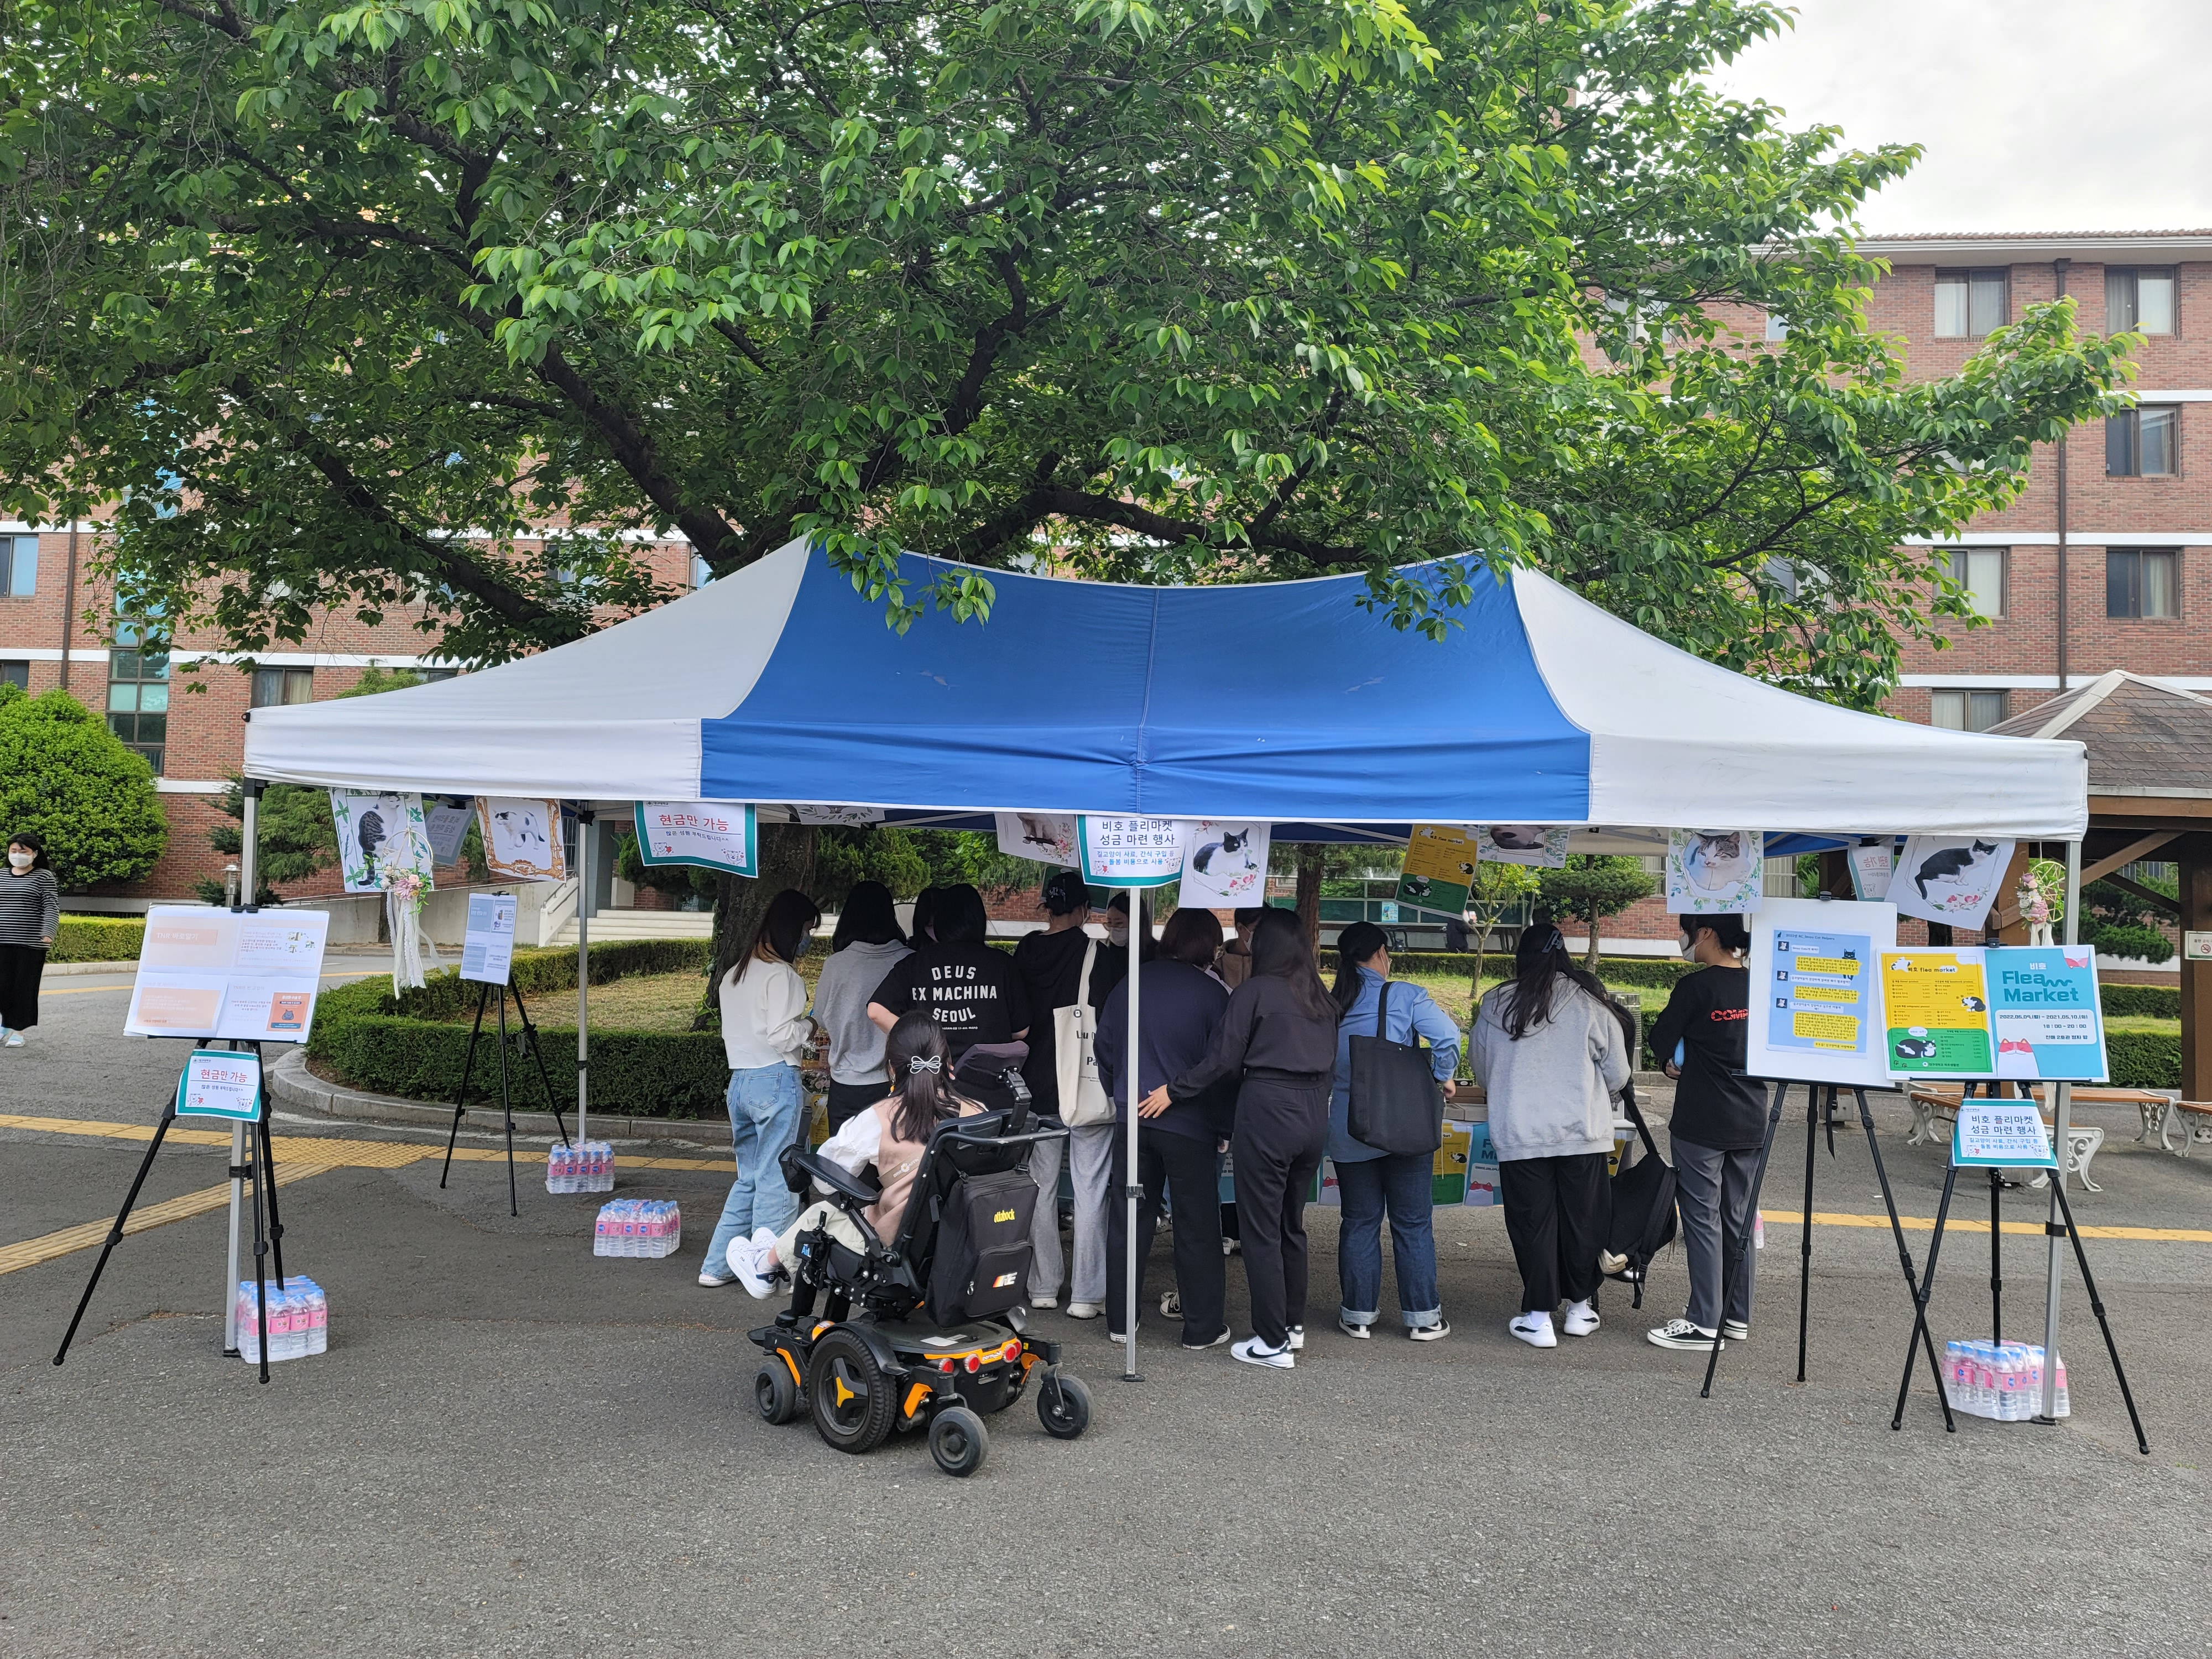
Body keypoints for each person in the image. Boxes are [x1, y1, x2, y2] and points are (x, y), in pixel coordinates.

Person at [1146, 907, 1338, 1369]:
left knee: (1259, 1230)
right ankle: (1291, 1326)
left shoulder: (1255, 992)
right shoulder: (1322, 998)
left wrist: (1173, 1090)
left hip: (1269, 1112)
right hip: (1314, 1117)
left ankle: (1271, 1342)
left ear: (1265, 946)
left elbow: (1222, 1062)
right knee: (1290, 1225)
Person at [724, 1013, 982, 1298]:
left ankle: (765, 1267)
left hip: (896, 1247)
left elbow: (827, 1181)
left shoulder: (879, 1119)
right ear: (947, 1063)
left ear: (891, 1068)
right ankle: (770, 1253)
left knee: (823, 1215)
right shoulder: (977, 1112)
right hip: (959, 1242)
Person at [1469, 921, 1632, 1348]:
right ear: (1564, 955)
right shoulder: (1589, 1003)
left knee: (1532, 1224)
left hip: (1520, 1133)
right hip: (1582, 1132)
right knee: (1583, 1221)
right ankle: (1580, 1310)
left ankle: (1538, 1318)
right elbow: (1618, 1073)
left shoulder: (1495, 1004)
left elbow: (1483, 1071)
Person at [1097, 907, 1234, 1349]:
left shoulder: (1130, 983)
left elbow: (1105, 1047)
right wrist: (1224, 1125)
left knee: (1129, 1220)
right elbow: (1223, 1067)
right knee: (1197, 1226)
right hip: (1190, 1125)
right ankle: (1201, 1329)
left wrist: (1121, 1095)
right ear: (1208, 946)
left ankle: (1121, 1322)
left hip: (1132, 1119)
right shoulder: (1212, 993)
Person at [1328, 922, 1462, 1341]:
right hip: (1404, 1122)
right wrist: (1442, 1075)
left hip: (1350, 1124)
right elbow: (1447, 1037)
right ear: (1381, 953)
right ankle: (1423, 1318)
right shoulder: (1404, 995)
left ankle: (1358, 1316)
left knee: (1359, 1221)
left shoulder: (1331, 1003)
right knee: (1412, 1223)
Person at [1645, 913, 1762, 1352]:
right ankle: (1736, 1315)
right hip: (1751, 1118)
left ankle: (1703, 1322)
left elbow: (1660, 1040)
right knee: (1737, 1217)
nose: (1683, 939)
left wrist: (1671, 1060)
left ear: (1707, 933)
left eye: (1686, 931)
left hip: (1701, 1119)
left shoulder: (1695, 988)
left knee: (1701, 1217)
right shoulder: (1761, 986)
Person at [1010, 868, 1117, 1317]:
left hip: (1033, 1088)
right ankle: (1087, 1296)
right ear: (1084, 910)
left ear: (1045, 908)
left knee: (1040, 1188)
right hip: (1084, 1086)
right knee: (1091, 1188)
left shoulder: (1024, 952)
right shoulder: (1096, 954)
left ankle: (1043, 1286)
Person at [701, 889, 821, 1288]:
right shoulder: (782, 976)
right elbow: (783, 1035)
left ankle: (716, 1266)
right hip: (775, 1080)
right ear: (792, 930)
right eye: (807, 930)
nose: (808, 939)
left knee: (749, 1177)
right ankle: (768, 1270)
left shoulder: (735, 974)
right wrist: (811, 1026)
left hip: (740, 1082)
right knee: (777, 1178)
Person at [866, 883, 1030, 1053]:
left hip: (933, 1067)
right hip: (987, 1067)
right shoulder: (1002, 964)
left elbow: (876, 1011)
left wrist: (917, 1044)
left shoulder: (915, 963)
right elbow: (1021, 1031)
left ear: (940, 921)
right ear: (979, 920)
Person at [808, 881, 912, 1133]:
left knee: (845, 1157)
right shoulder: (909, 960)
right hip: (897, 1082)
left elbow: (820, 1017)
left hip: (846, 1086)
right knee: (893, 1155)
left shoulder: (836, 964)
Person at [0, 830, 60, 1048]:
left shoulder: (43, 877)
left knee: (23, 988)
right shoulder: (1, 875)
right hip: (2, 941)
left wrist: (48, 931)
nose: (17, 855)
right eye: (14, 851)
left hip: (30, 944)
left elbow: (51, 907)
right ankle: (6, 1024)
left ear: (34, 854)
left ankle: (18, 1031)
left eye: (23, 851)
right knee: (3, 986)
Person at [1215, 907, 1261, 989]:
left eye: (1267, 930)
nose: (1263, 935)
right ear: (1241, 928)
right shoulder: (1216, 961)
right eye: (1257, 930)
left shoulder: (1271, 963)